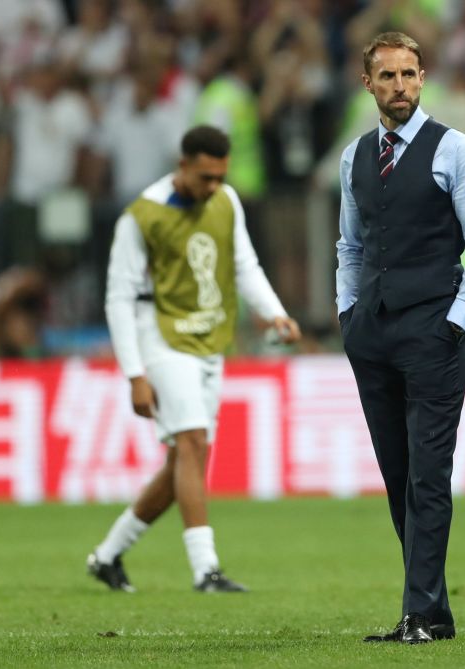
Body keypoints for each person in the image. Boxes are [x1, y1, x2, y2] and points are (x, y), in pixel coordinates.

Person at [335, 32, 465, 644]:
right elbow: (349, 246)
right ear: (368, 84)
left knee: (427, 476)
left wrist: (457, 322)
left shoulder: (457, 151)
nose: (399, 86)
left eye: (409, 75)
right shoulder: (354, 158)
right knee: (398, 475)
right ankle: (430, 611)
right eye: (387, 77)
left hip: (433, 330)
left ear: (423, 77)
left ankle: (421, 611)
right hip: (373, 332)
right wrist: (347, 315)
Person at [87, 125, 301, 592]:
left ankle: (107, 555)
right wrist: (134, 374)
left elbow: (245, 264)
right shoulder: (141, 217)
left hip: (208, 338)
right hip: (160, 336)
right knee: (191, 443)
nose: (212, 187)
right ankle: (206, 569)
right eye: (204, 177)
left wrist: (275, 313)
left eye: (219, 177)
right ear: (182, 166)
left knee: (183, 460)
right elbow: (118, 298)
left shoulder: (225, 201)